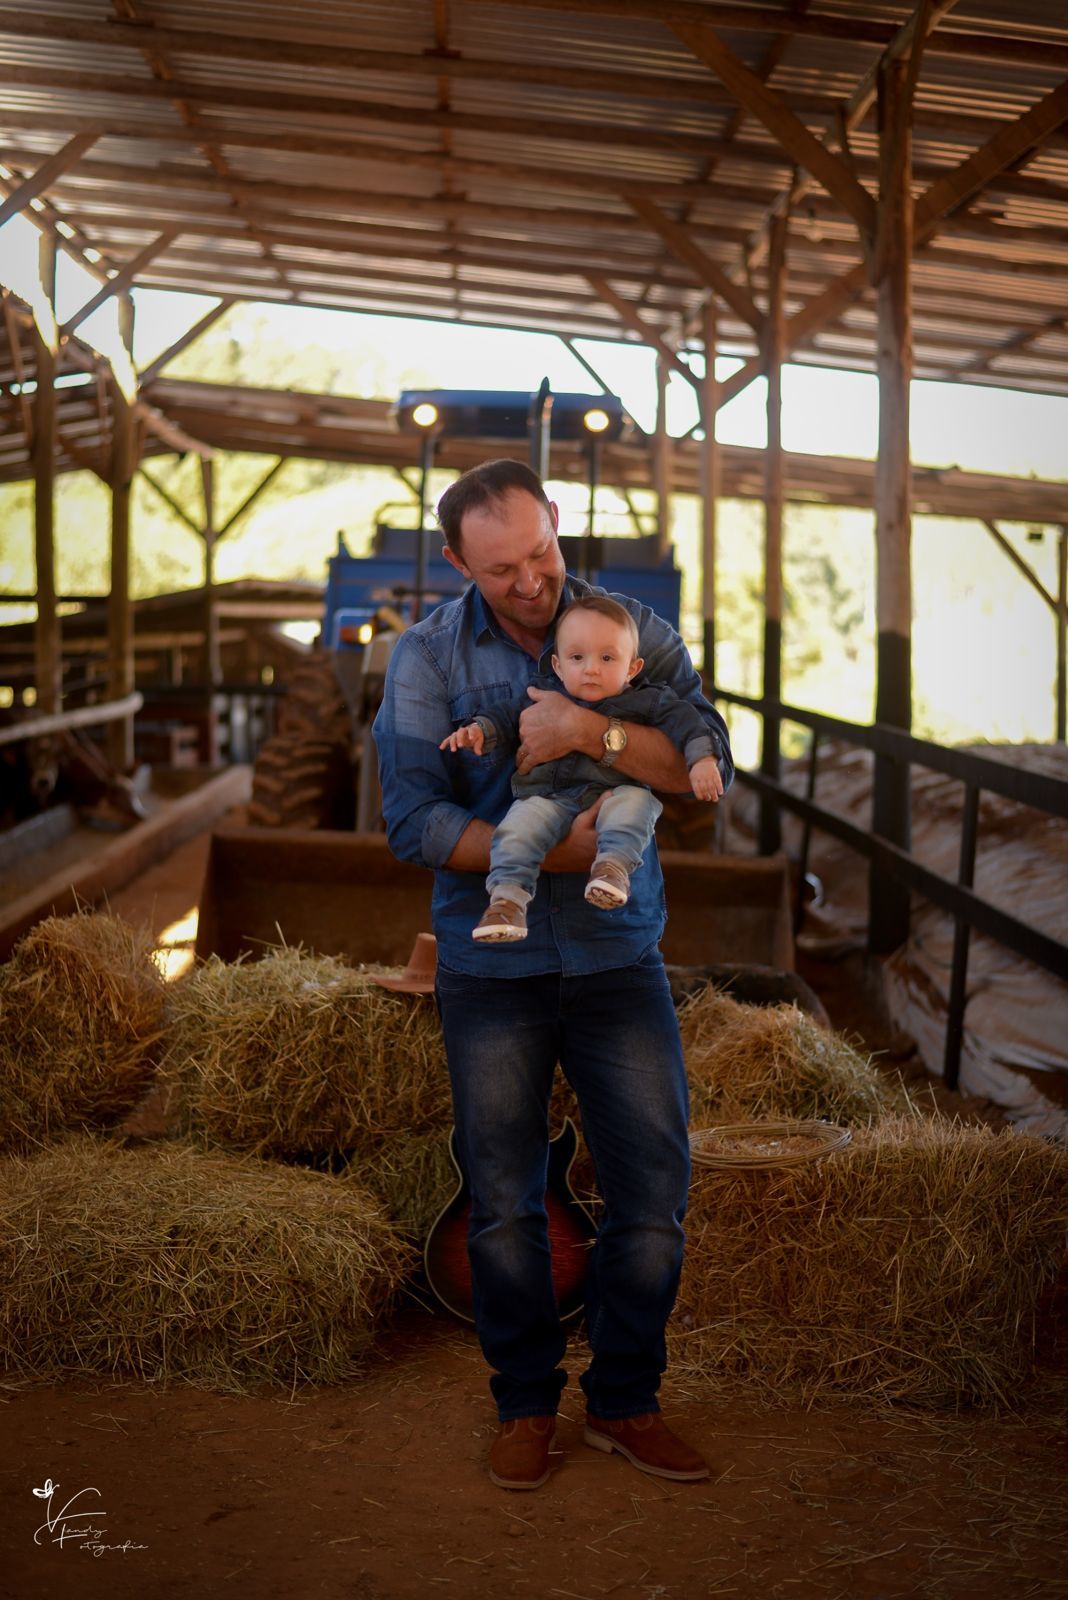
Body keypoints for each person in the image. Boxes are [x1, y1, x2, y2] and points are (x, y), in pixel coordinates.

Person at [373, 458, 733, 1492]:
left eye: (541, 551)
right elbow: (411, 819)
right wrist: (555, 854)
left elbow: (705, 772)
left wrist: (591, 730)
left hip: (620, 956)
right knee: (501, 1202)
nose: (532, 580)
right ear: (455, 562)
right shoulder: (427, 656)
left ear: (556, 525)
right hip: (493, 967)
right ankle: (525, 1403)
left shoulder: (637, 629)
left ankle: (624, 1397)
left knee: (656, 1191)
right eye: (502, 568)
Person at [438, 594, 724, 942]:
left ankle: (613, 869)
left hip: (613, 793)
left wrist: (702, 760)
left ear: (632, 668)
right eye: (578, 657)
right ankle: (507, 902)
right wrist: (480, 729)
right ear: (558, 666)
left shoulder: (648, 700)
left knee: (636, 805)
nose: (591, 668)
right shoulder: (541, 695)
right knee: (516, 828)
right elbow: (506, 715)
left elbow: (690, 725)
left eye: (607, 658)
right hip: (549, 796)